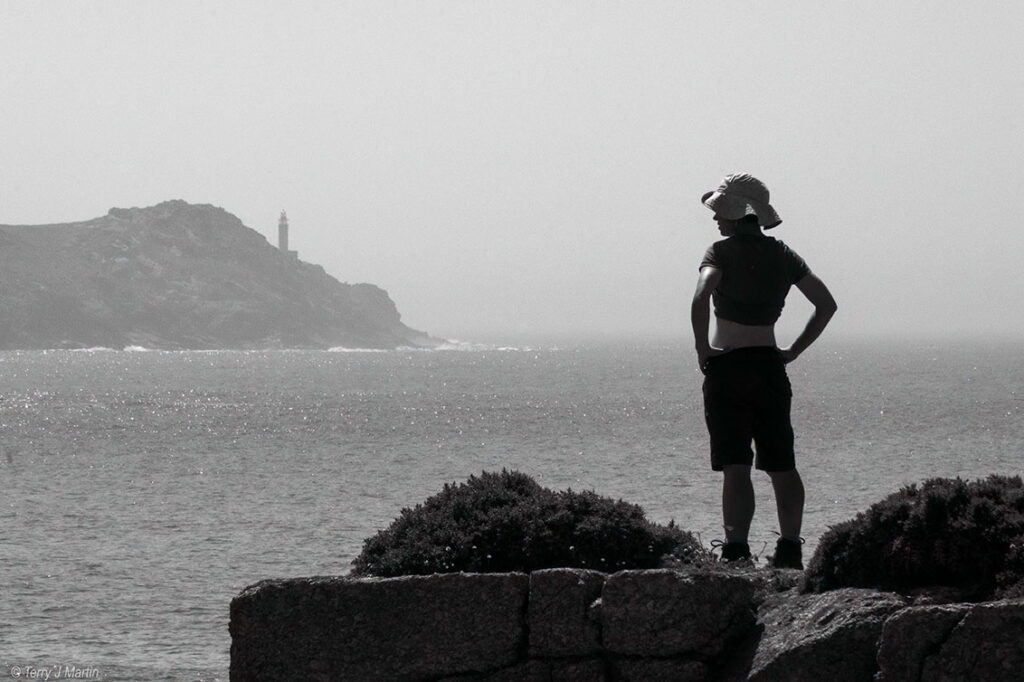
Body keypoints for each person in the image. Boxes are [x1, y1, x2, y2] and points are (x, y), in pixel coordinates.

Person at [691, 173, 836, 569]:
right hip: (770, 368)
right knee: (781, 464)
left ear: (739, 214)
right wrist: (792, 352)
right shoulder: (784, 255)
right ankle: (790, 550)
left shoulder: (719, 252)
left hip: (729, 367)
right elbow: (827, 305)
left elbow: (702, 295)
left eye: (721, 212)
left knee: (736, 466)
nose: (716, 219)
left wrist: (704, 349)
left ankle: (736, 552)